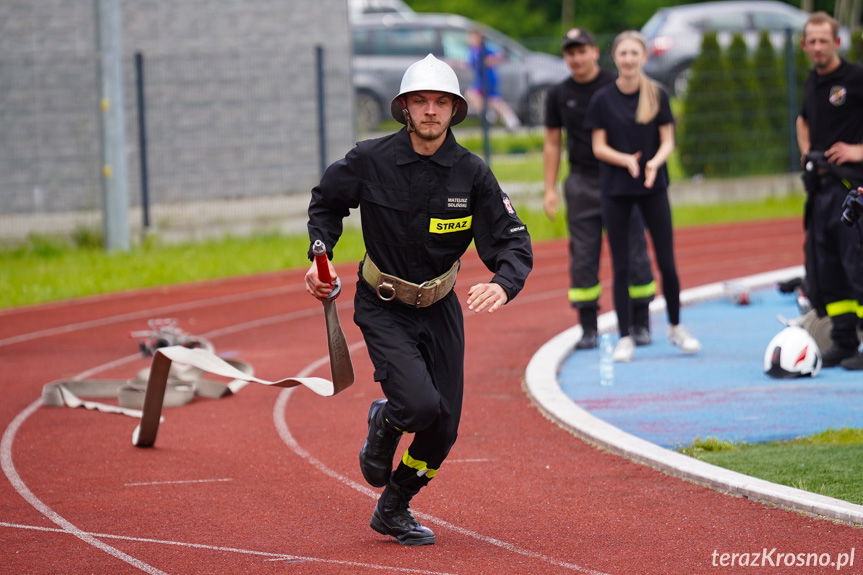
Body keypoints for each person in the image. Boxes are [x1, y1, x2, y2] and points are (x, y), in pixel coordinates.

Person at [305, 54, 533, 545]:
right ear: (405, 108)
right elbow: (326, 204)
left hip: (441, 307)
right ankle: (386, 418)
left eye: (441, 102)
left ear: (454, 110)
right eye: (421, 101)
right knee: (420, 406)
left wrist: (502, 282)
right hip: (383, 303)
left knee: (442, 429)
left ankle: (395, 506)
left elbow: (512, 239)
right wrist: (318, 256)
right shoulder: (369, 160)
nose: (431, 110)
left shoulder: (471, 174)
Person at [584, 30, 701, 362]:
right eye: (623, 53)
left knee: (667, 261)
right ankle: (624, 336)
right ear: (615, 57)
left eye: (635, 53)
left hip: (653, 186)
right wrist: (626, 161)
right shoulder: (603, 100)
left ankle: (676, 326)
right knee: (621, 265)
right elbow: (598, 146)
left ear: (644, 57)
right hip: (616, 190)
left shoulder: (657, 95)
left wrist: (653, 164)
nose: (629, 59)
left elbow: (667, 140)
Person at [543, 27, 657, 350]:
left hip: (621, 177)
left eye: (583, 50)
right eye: (570, 52)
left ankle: (640, 322)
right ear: (566, 57)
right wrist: (549, 189)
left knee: (634, 250)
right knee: (582, 255)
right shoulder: (557, 94)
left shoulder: (614, 85)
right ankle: (588, 327)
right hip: (582, 182)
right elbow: (552, 143)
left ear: (595, 52)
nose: (577, 58)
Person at [796, 11, 863, 370]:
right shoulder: (812, 82)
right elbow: (802, 118)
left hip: (851, 189)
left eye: (824, 40)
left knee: (858, 266)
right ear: (805, 45)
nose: (818, 47)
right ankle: (842, 340)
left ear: (837, 43)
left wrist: (858, 151)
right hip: (819, 190)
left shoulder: (855, 78)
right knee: (828, 268)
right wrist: (805, 150)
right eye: (812, 41)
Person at [465, 29, 522, 130]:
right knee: (474, 96)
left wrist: (490, 60)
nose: (470, 40)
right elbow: (471, 65)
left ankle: (511, 120)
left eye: (473, 37)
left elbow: (499, 56)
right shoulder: (473, 51)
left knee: (494, 100)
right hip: (479, 80)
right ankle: (488, 115)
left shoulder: (485, 49)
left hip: (488, 79)